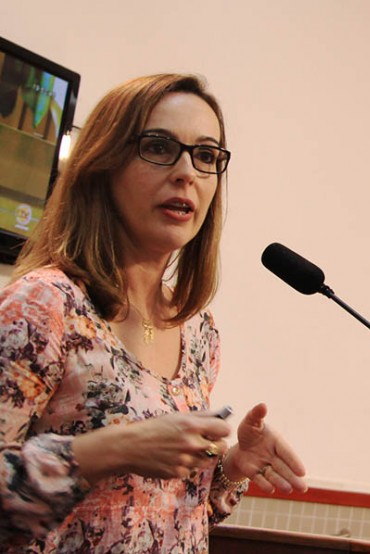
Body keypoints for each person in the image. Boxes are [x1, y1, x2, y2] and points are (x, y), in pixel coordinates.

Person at [0, 73, 307, 553]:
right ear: (103, 164)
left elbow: (155, 515)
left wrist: (229, 471)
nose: (186, 171)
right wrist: (112, 449)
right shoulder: (44, 305)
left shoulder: (197, 329)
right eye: (160, 147)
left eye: (205, 155)